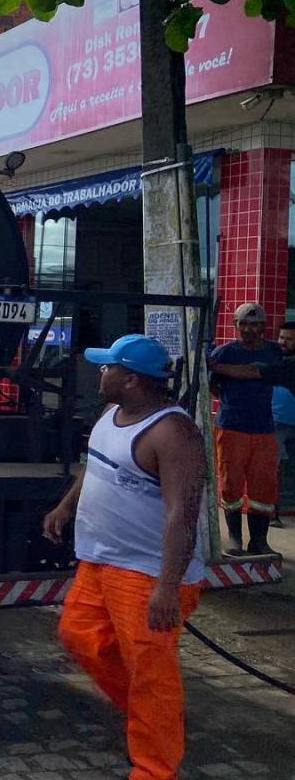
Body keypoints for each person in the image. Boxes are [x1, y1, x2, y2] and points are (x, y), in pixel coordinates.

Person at [43, 333, 206, 780]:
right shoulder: (110, 414)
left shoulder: (173, 432)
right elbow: (95, 464)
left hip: (146, 574)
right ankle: (154, 717)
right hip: (99, 562)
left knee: (151, 672)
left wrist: (167, 587)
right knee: (79, 636)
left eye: (108, 366)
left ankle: (155, 767)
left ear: (131, 379)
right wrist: (65, 506)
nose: (100, 372)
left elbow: (183, 515)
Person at [207, 302, 281, 554]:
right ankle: (235, 540)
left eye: (254, 324)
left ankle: (259, 541)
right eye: (243, 323)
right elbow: (212, 386)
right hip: (231, 429)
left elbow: (258, 373)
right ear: (235, 325)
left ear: (263, 326)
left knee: (264, 487)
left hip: (264, 430)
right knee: (231, 485)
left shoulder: (274, 351)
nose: (248, 329)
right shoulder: (224, 352)